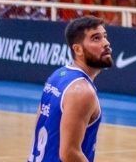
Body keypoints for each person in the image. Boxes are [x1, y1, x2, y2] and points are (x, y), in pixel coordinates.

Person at [29, 17, 111, 162]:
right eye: (96, 38)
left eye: (104, 36)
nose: (106, 43)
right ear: (78, 49)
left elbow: (39, 122)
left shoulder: (58, 75)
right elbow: (69, 153)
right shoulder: (82, 91)